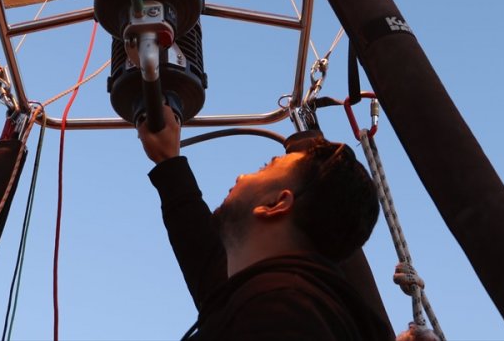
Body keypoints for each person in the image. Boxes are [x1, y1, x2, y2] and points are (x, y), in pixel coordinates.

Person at [137, 106, 392, 341]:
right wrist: (169, 162)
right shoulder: (282, 299)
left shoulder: (283, 310)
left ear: (276, 203)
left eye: (263, 168)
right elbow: (206, 262)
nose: (241, 176)